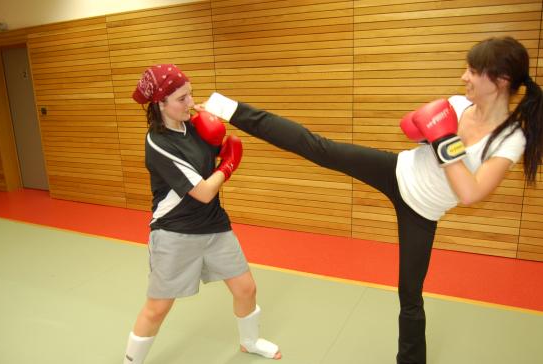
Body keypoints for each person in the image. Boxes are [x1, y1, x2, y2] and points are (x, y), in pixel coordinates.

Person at [197, 36, 543, 364]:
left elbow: (470, 193)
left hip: (423, 212)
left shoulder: (511, 140)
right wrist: (423, 129)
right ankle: (227, 106)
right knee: (316, 146)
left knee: (410, 296)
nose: (463, 76)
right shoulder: (458, 104)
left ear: (499, 80)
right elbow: (413, 130)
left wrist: (444, 139)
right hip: (396, 170)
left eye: (473, 70)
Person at [123, 64, 281, 364]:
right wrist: (229, 165)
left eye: (190, 94)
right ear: (160, 103)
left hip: (214, 226)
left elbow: (217, 155)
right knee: (157, 308)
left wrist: (220, 136)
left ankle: (249, 341)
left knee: (246, 288)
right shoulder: (158, 143)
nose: (190, 102)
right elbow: (204, 191)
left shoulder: (195, 126)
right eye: (181, 98)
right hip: (175, 232)